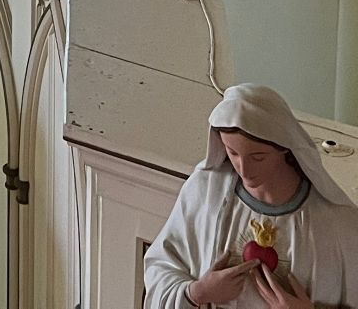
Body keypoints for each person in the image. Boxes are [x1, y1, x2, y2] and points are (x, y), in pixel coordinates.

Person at [143, 84, 358, 308]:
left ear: (285, 148)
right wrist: (197, 293)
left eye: (258, 157)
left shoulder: (335, 223)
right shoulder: (206, 193)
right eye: (232, 153)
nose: (244, 169)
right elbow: (162, 267)